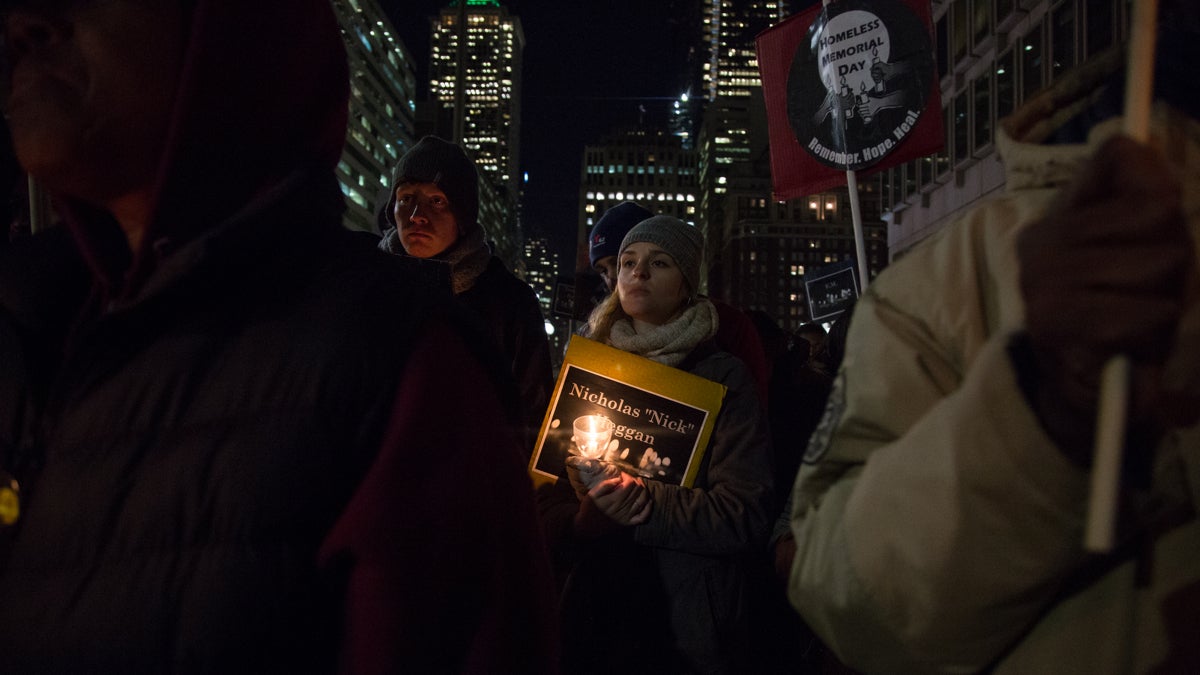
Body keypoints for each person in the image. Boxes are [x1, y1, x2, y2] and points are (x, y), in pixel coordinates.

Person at [0, 1, 557, 672]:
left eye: (435, 202)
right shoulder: (46, 321)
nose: (26, 21)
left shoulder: (398, 359)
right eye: (405, 199)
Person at [785, 12, 1200, 673]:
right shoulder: (946, 282)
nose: (633, 275)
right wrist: (1043, 408)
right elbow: (845, 593)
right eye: (625, 263)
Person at [544, 215, 774, 673]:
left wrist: (639, 502)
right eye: (628, 262)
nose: (638, 272)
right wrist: (581, 522)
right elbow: (545, 484)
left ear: (687, 283)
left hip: (685, 625)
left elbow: (744, 513)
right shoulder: (589, 366)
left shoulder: (724, 377)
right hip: (596, 615)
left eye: (659, 262)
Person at [378, 135, 555, 451]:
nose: (417, 214)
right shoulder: (365, 283)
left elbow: (531, 417)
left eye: (437, 201)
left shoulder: (511, 304)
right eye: (406, 198)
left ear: (462, 215)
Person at [588, 201, 771, 404]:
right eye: (627, 263)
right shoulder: (593, 339)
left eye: (615, 262)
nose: (613, 276)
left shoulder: (727, 333)